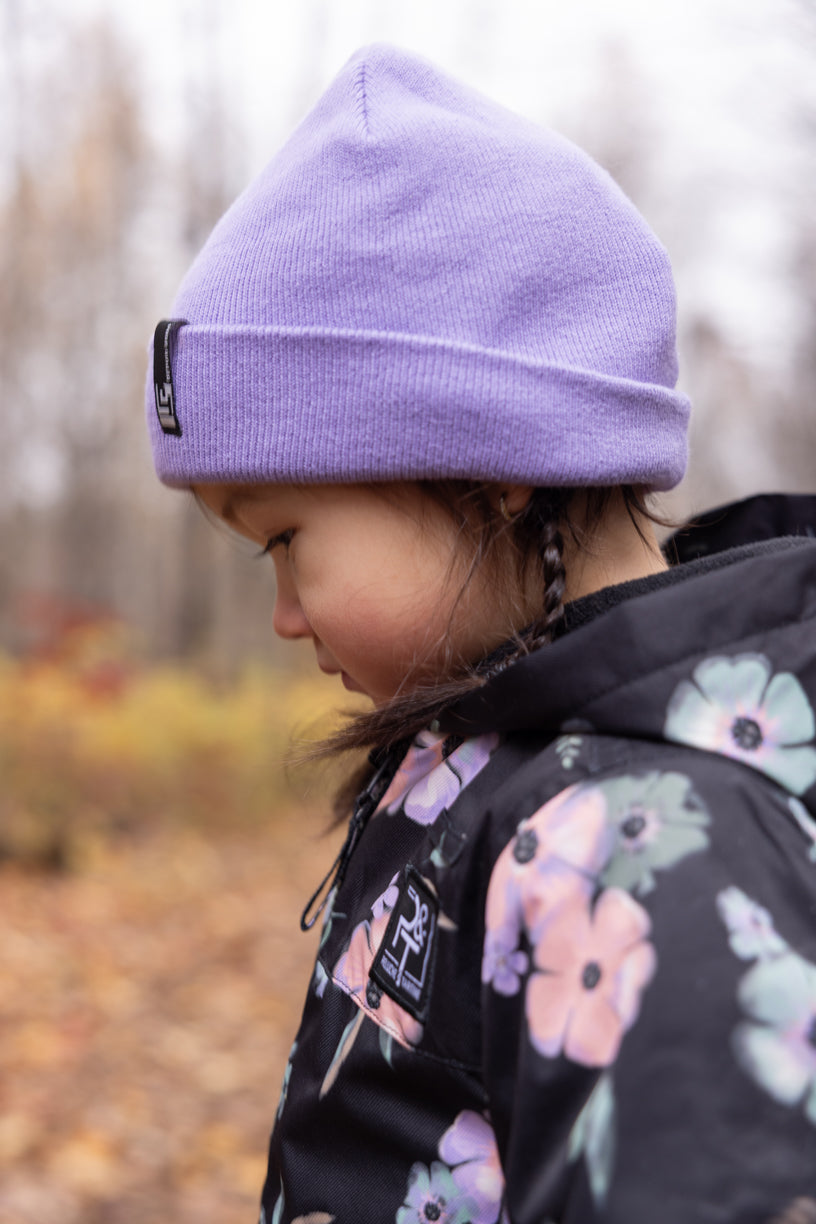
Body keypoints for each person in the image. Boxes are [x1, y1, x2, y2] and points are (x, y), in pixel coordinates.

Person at [145, 44, 816, 1224]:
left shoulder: (649, 845)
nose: (283, 613)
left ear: (497, 471)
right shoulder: (509, 746)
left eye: (288, 536)